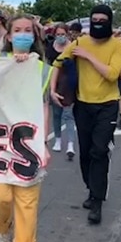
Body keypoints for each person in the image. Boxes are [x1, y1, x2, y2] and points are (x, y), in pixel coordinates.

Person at [50, 4, 121, 224]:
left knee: (99, 151)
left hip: (107, 105)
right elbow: (58, 63)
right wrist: (53, 89)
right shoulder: (79, 42)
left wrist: (88, 56)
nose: (98, 23)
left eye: (103, 20)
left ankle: (98, 202)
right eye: (95, 20)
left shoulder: (117, 45)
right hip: (83, 106)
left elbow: (112, 74)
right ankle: (92, 190)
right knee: (85, 153)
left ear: (109, 22)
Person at [0, 14, 52, 242]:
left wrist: (42, 143)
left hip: (27, 141)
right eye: (18, 30)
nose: (23, 34)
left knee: (26, 200)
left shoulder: (42, 69)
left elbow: (44, 106)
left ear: (34, 36)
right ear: (9, 36)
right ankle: (4, 228)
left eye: (28, 30)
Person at [45, 23, 76, 159]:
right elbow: (47, 65)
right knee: (56, 114)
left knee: (68, 115)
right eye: (58, 34)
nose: (60, 37)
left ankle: (70, 144)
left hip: (68, 84)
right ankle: (57, 139)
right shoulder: (50, 48)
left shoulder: (73, 47)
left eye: (63, 34)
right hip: (54, 83)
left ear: (67, 34)